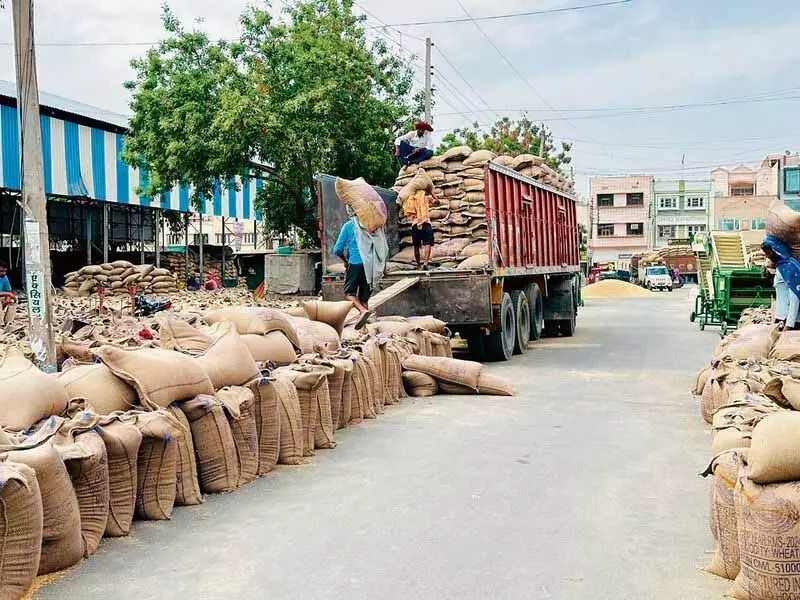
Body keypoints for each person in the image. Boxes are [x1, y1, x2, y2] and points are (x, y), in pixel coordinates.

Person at [333, 207, 388, 329]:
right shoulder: (373, 225)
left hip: (356, 264)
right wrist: (383, 267)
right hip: (372, 265)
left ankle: (363, 311)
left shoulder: (349, 226)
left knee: (349, 293)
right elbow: (383, 246)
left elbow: (337, 250)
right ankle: (365, 330)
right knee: (364, 298)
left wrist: (345, 261)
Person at [762, 236, 800, 330]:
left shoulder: (788, 267)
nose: (767, 256)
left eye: (768, 253)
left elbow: (795, 297)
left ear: (776, 250)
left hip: (789, 320)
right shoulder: (782, 266)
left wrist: (789, 325)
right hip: (782, 318)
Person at [404, 184, 439, 270]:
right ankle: (425, 263)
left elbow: (406, 210)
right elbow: (437, 202)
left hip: (415, 224)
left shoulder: (410, 199)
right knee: (428, 243)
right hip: (425, 222)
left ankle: (418, 265)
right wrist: (431, 192)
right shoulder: (425, 197)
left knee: (416, 246)